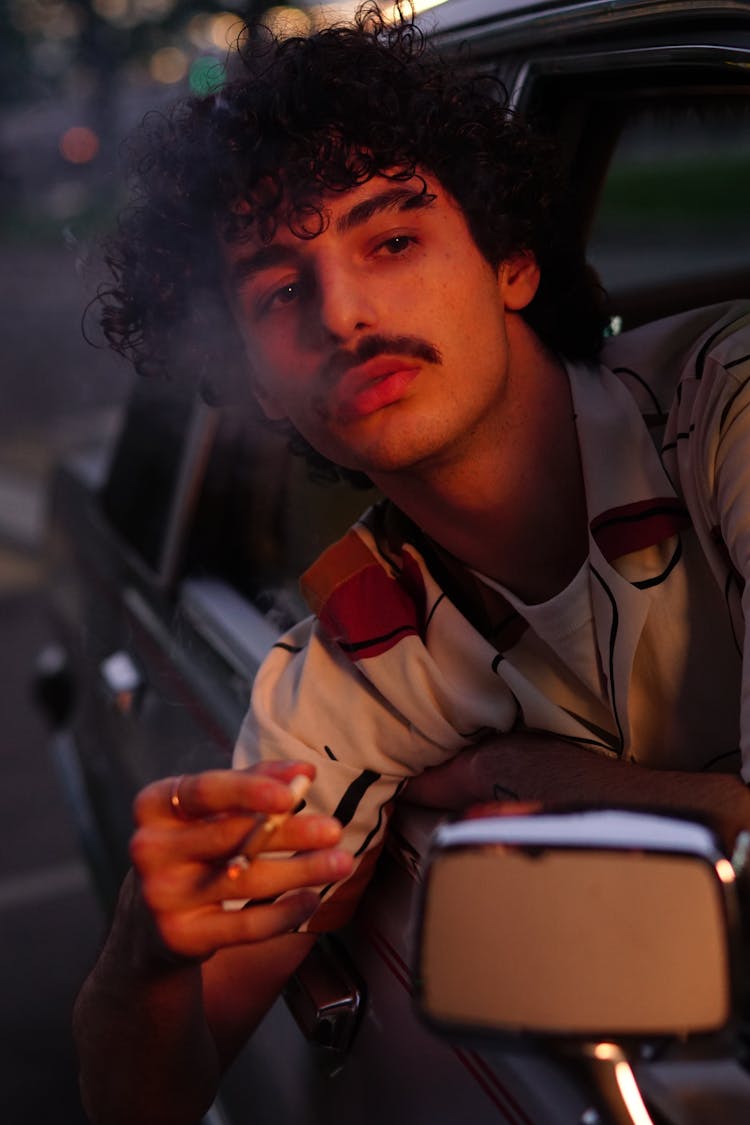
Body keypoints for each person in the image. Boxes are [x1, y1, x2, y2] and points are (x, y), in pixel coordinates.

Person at [74, 8, 750, 1124]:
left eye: (392, 240)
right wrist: (137, 967)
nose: (343, 313)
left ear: (513, 259)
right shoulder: (348, 671)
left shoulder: (725, 405)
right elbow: (148, 1094)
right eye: (280, 293)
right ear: (255, 385)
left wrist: (540, 785)